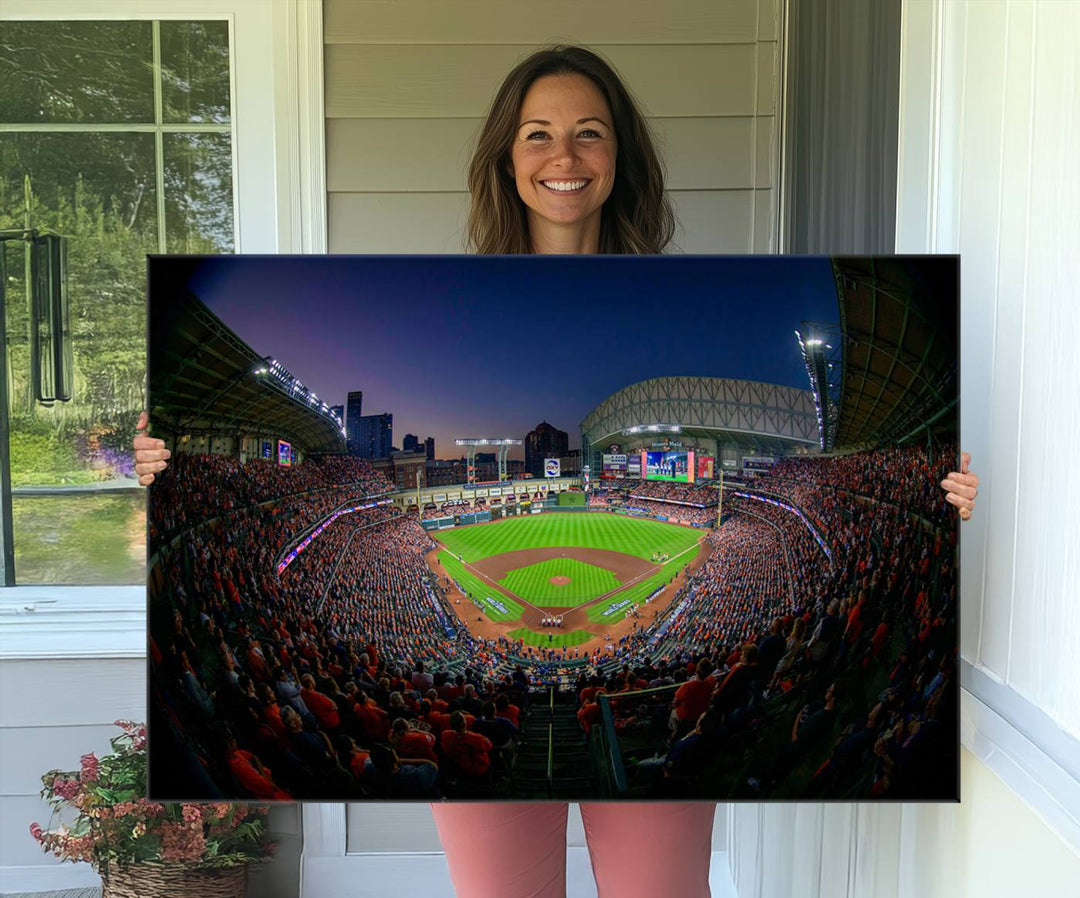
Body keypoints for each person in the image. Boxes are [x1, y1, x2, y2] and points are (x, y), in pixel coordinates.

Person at [133, 43, 979, 898]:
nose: (563, 157)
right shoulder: (447, 284)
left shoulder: (674, 288)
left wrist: (937, 490)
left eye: (589, 133)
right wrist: (167, 463)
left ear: (621, 157)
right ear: (507, 156)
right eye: (537, 134)